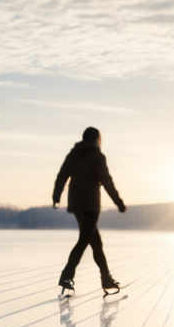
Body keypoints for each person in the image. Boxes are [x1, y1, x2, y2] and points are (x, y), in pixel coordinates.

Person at [52, 125, 126, 294]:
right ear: (96, 139)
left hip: (76, 204)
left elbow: (62, 175)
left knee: (95, 242)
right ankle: (67, 274)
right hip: (91, 205)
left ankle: (106, 278)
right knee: (85, 240)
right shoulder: (97, 156)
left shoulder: (74, 153)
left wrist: (56, 197)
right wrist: (118, 202)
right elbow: (107, 181)